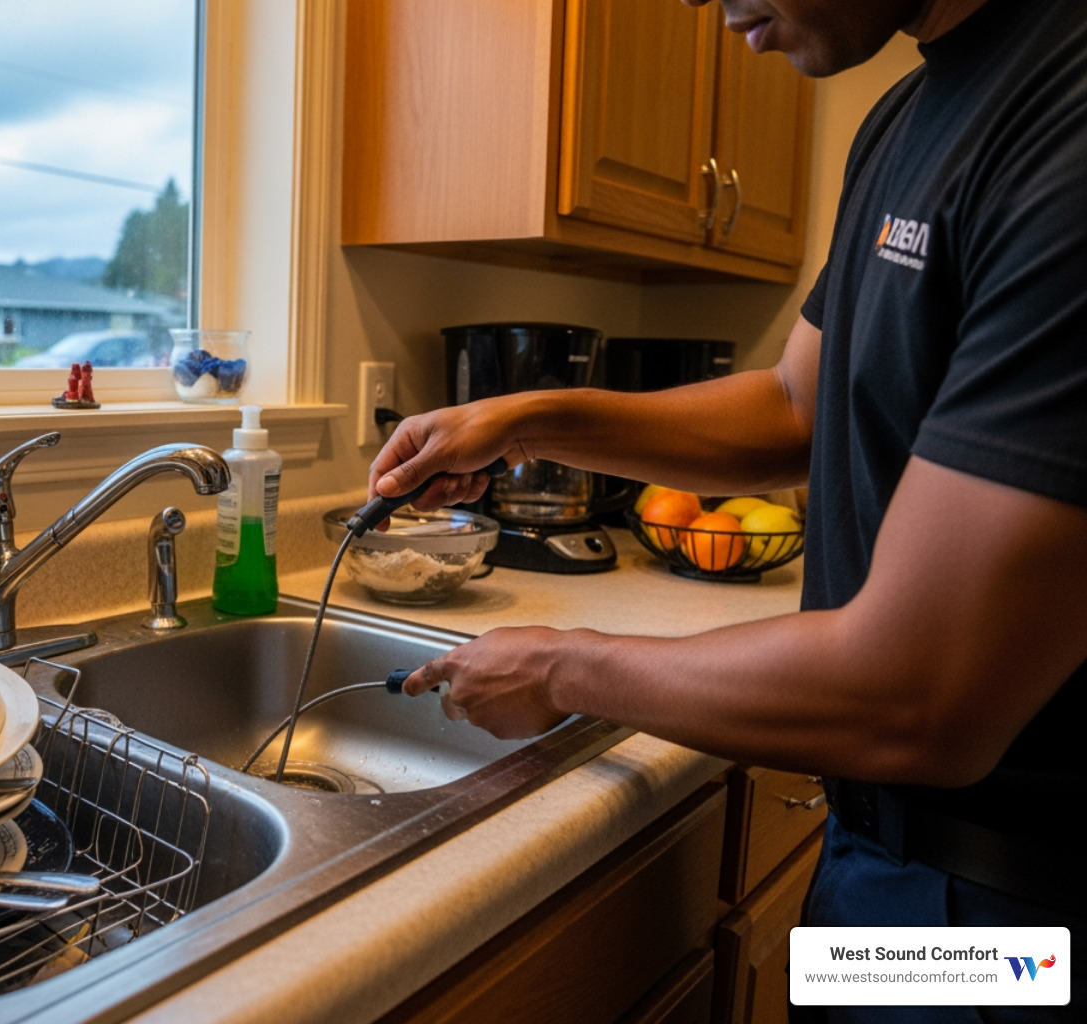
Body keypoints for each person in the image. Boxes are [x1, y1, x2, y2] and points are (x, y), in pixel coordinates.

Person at [369, 0, 1087, 1019]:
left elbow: (920, 695)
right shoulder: (905, 117)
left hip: (1014, 925)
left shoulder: (1066, 115)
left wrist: (561, 664)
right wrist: (519, 421)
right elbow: (797, 405)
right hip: (876, 864)